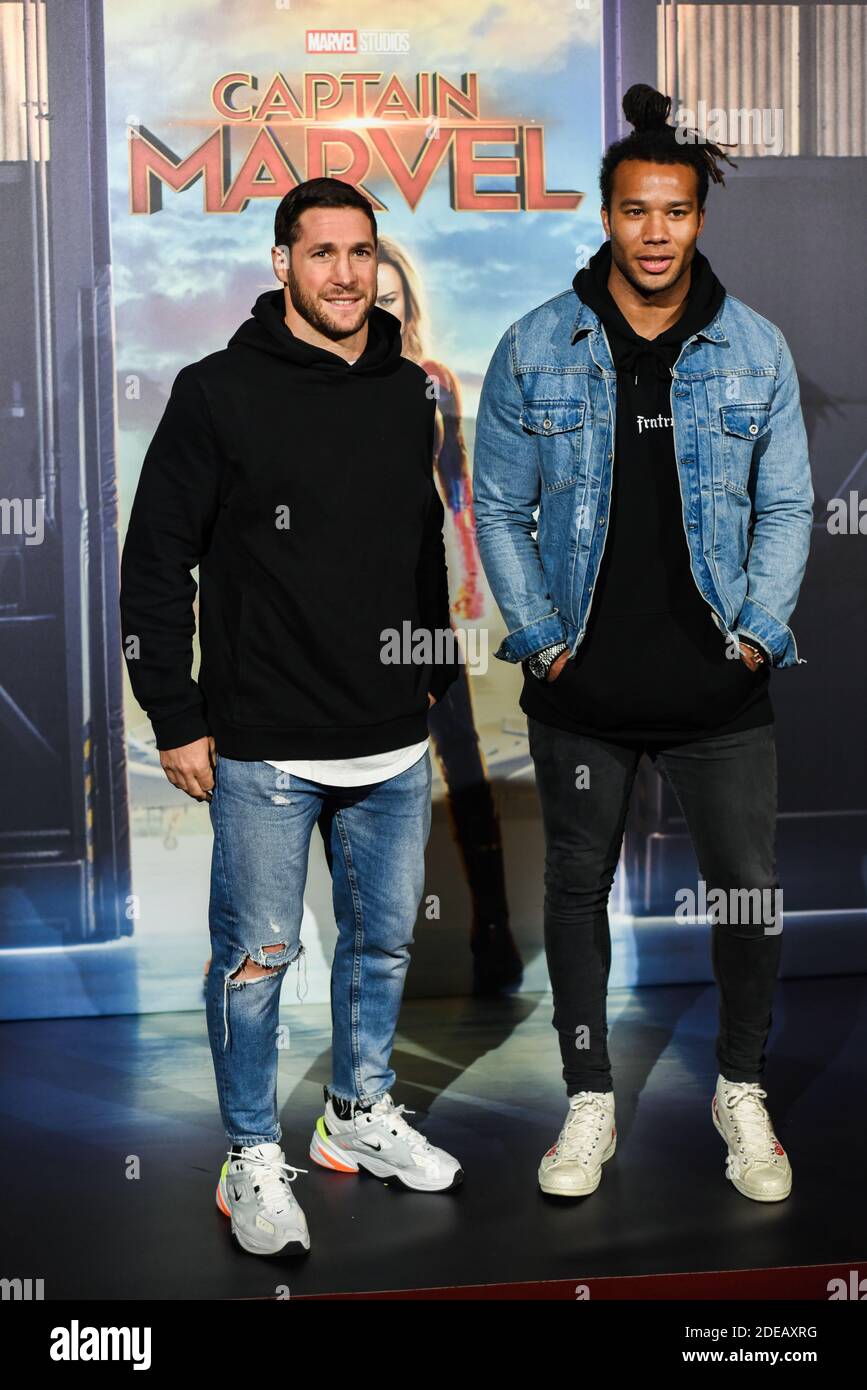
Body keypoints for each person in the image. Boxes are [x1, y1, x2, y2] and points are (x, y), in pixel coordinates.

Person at [473, 85, 813, 1203]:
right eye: (635, 211)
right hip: (585, 688)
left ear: (698, 217)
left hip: (721, 687)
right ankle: (589, 1097)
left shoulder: (755, 349)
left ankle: (741, 1089)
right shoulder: (537, 345)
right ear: (607, 215)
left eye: (674, 212)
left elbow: (787, 510)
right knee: (577, 891)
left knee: (749, 894)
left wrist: (758, 636)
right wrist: (537, 641)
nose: (655, 233)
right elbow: (497, 508)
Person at [120, 177, 464, 1259]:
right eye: (321, 253)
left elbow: (418, 545)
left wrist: (432, 674)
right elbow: (154, 562)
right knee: (258, 963)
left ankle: (357, 1115)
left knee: (379, 951)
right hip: (265, 746)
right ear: (282, 265)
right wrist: (175, 713)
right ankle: (249, 1153)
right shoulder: (215, 391)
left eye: (361, 252)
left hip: (391, 743)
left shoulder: (409, 390)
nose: (346, 273)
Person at [376, 237, 523, 993]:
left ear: (408, 305)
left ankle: (491, 926)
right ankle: (366, 945)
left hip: (425, 597)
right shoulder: (316, 381)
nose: (379, 305)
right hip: (349, 605)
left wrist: (468, 580)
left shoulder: (432, 382)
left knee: (458, 754)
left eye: (392, 296)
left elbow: (457, 485)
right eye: (369, 292)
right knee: (365, 767)